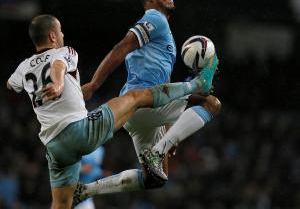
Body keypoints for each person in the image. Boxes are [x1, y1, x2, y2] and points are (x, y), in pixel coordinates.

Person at [6, 14, 217, 209]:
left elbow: (10, 84)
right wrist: (59, 83)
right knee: (136, 97)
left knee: (61, 204)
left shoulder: (23, 67)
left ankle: (85, 191)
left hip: (54, 146)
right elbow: (59, 65)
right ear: (52, 35)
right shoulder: (65, 51)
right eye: (60, 31)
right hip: (80, 130)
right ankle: (196, 84)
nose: (62, 35)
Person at [74, 0, 221, 204]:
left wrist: (173, 135)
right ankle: (159, 149)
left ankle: (85, 191)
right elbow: (122, 47)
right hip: (141, 100)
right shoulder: (155, 19)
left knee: (156, 178)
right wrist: (94, 84)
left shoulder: (164, 36)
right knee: (211, 103)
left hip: (139, 114)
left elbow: (168, 89)